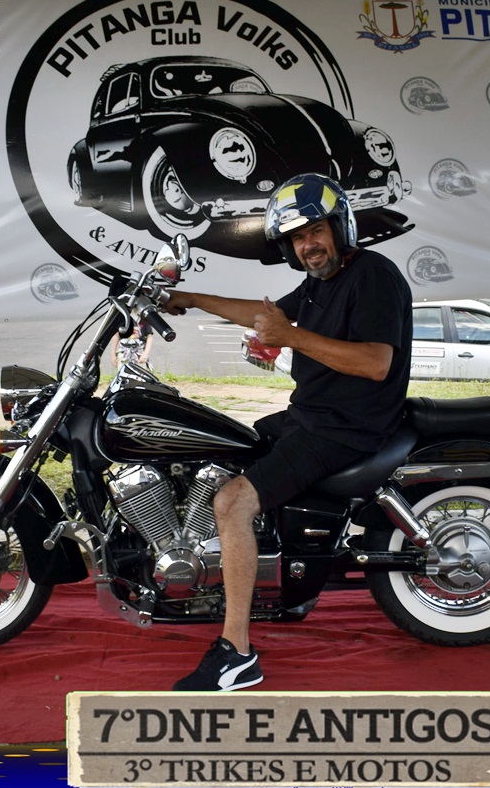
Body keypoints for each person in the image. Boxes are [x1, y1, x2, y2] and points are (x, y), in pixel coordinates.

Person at [161, 174, 412, 691]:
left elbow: (376, 363)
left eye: (315, 231)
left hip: (345, 428)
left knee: (232, 502)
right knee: (224, 452)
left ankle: (237, 653)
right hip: (310, 415)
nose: (308, 245)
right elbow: (264, 316)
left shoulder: (373, 276)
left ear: (339, 227)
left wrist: (291, 337)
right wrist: (190, 298)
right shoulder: (321, 282)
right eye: (297, 238)